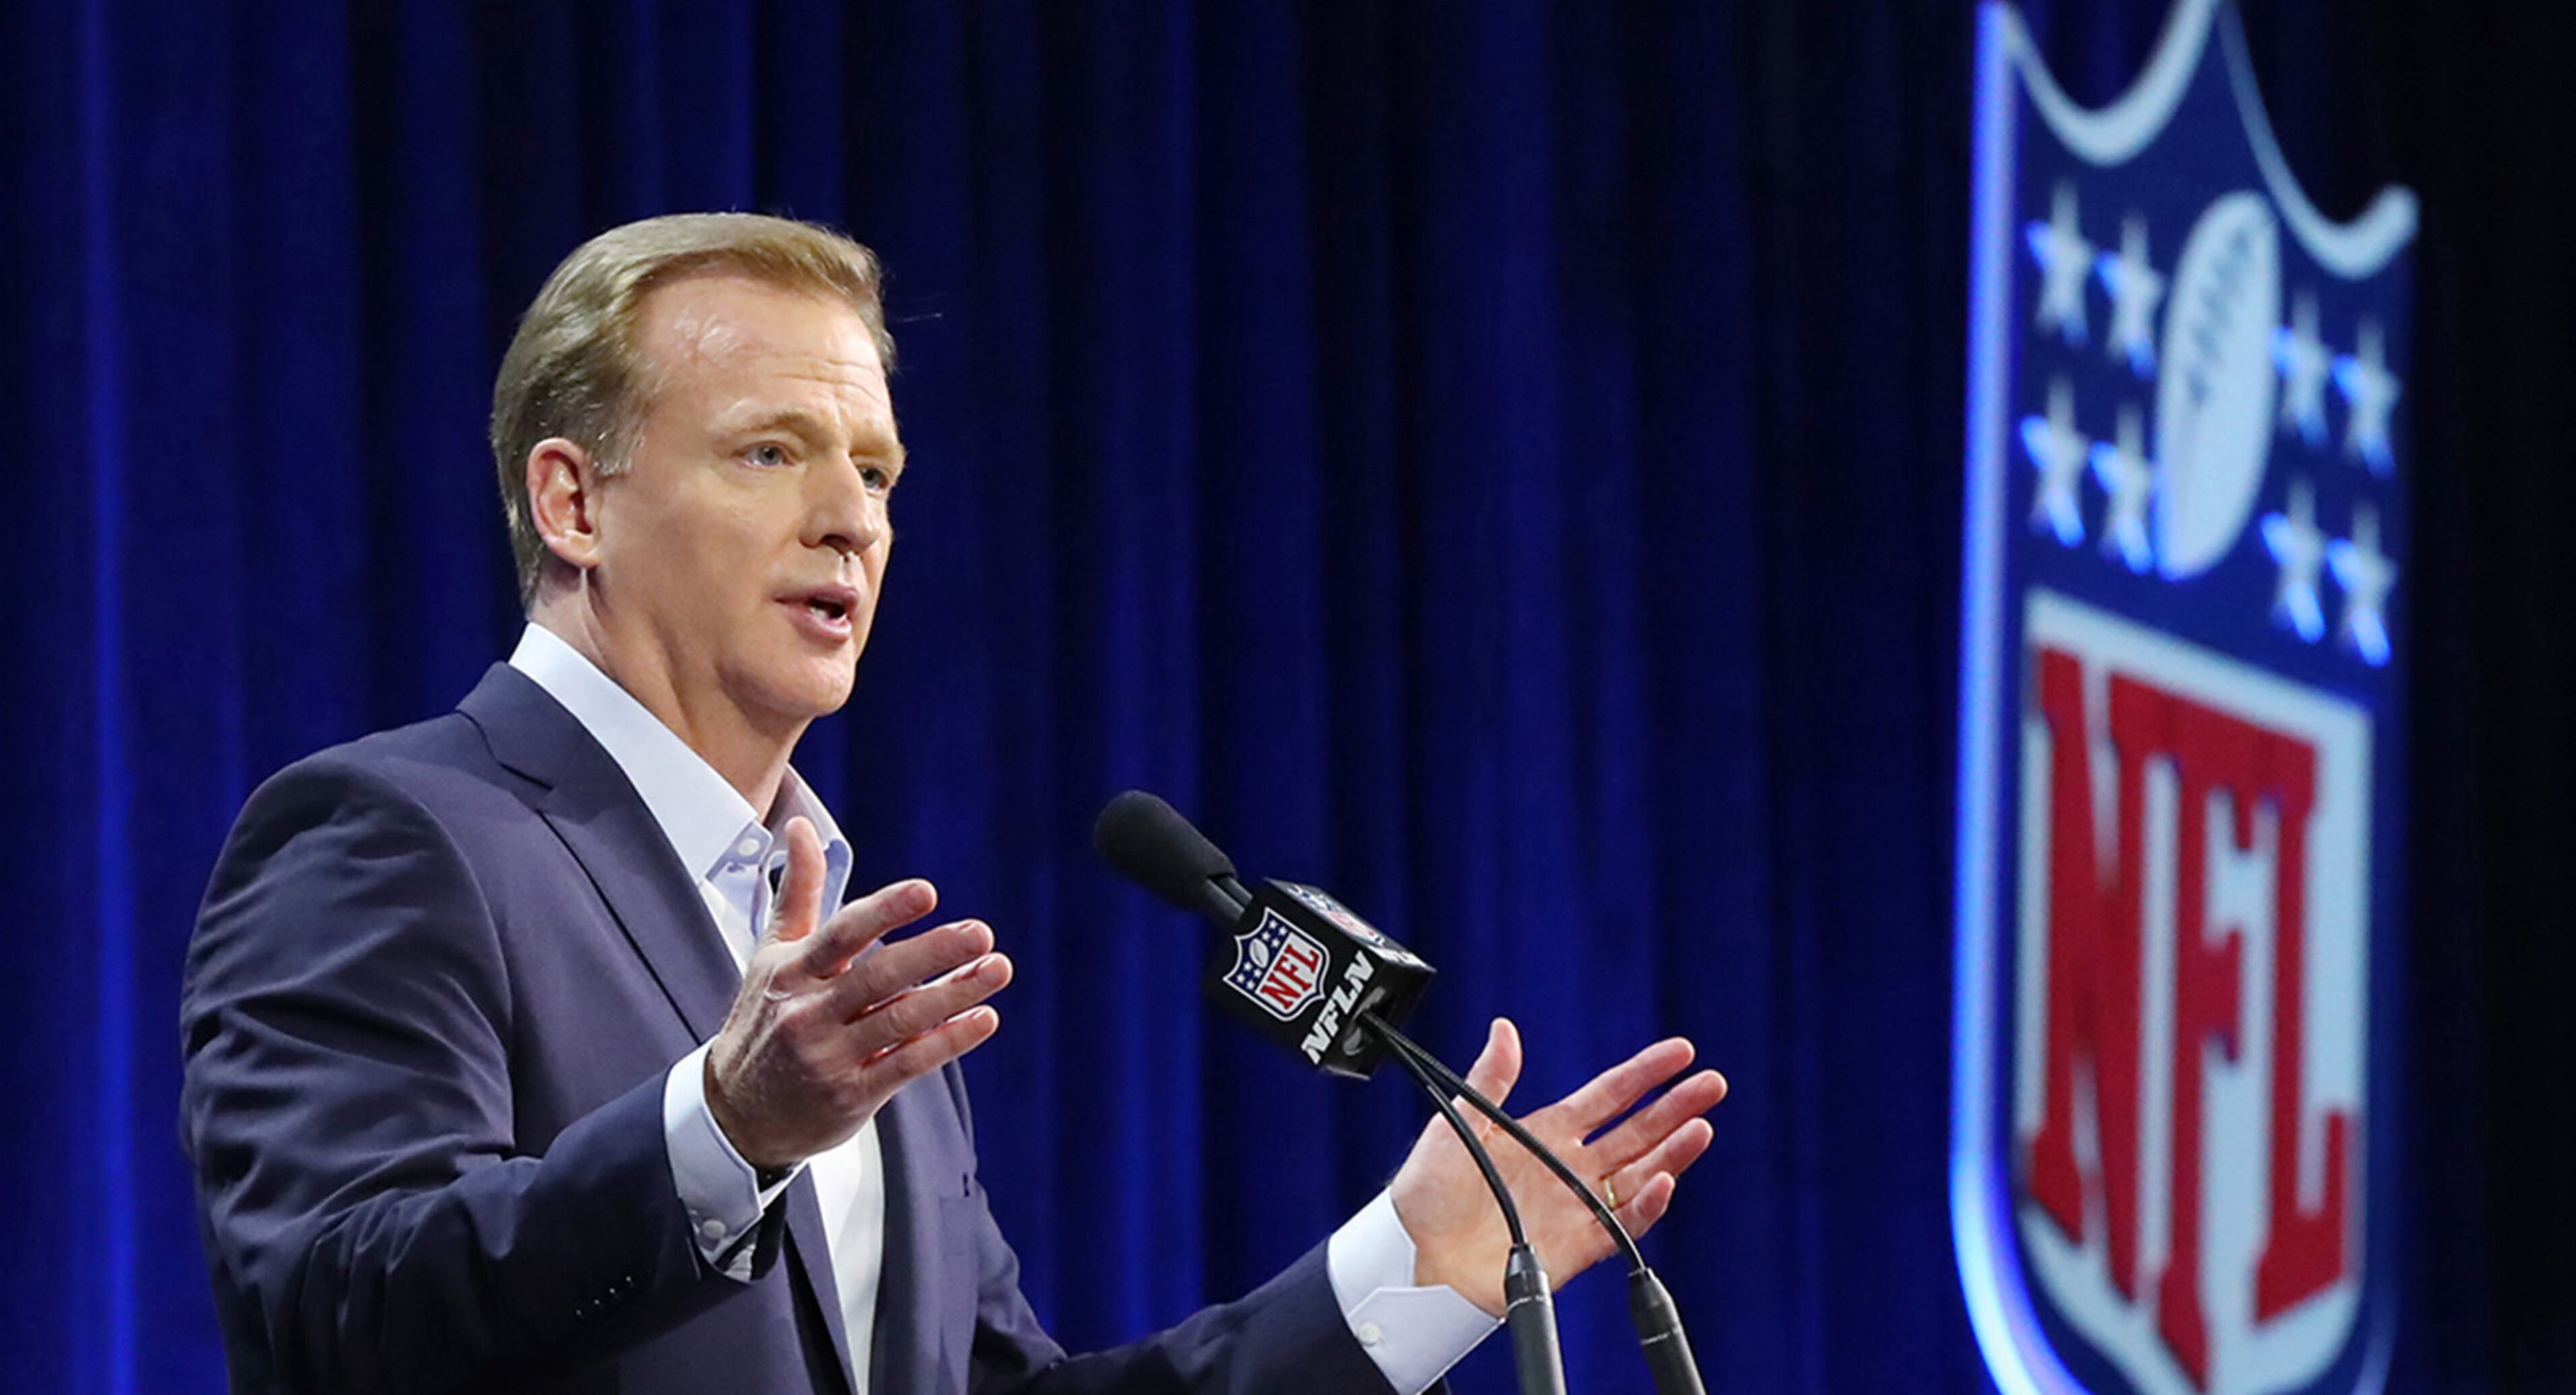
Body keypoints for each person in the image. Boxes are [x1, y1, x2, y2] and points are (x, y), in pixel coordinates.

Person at [180, 213, 1727, 1395]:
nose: (852, 518)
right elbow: (335, 1308)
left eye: (877, 470)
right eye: (774, 452)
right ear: (574, 502)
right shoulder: (394, 836)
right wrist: (720, 1131)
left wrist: (1412, 1267)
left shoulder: (843, 975)